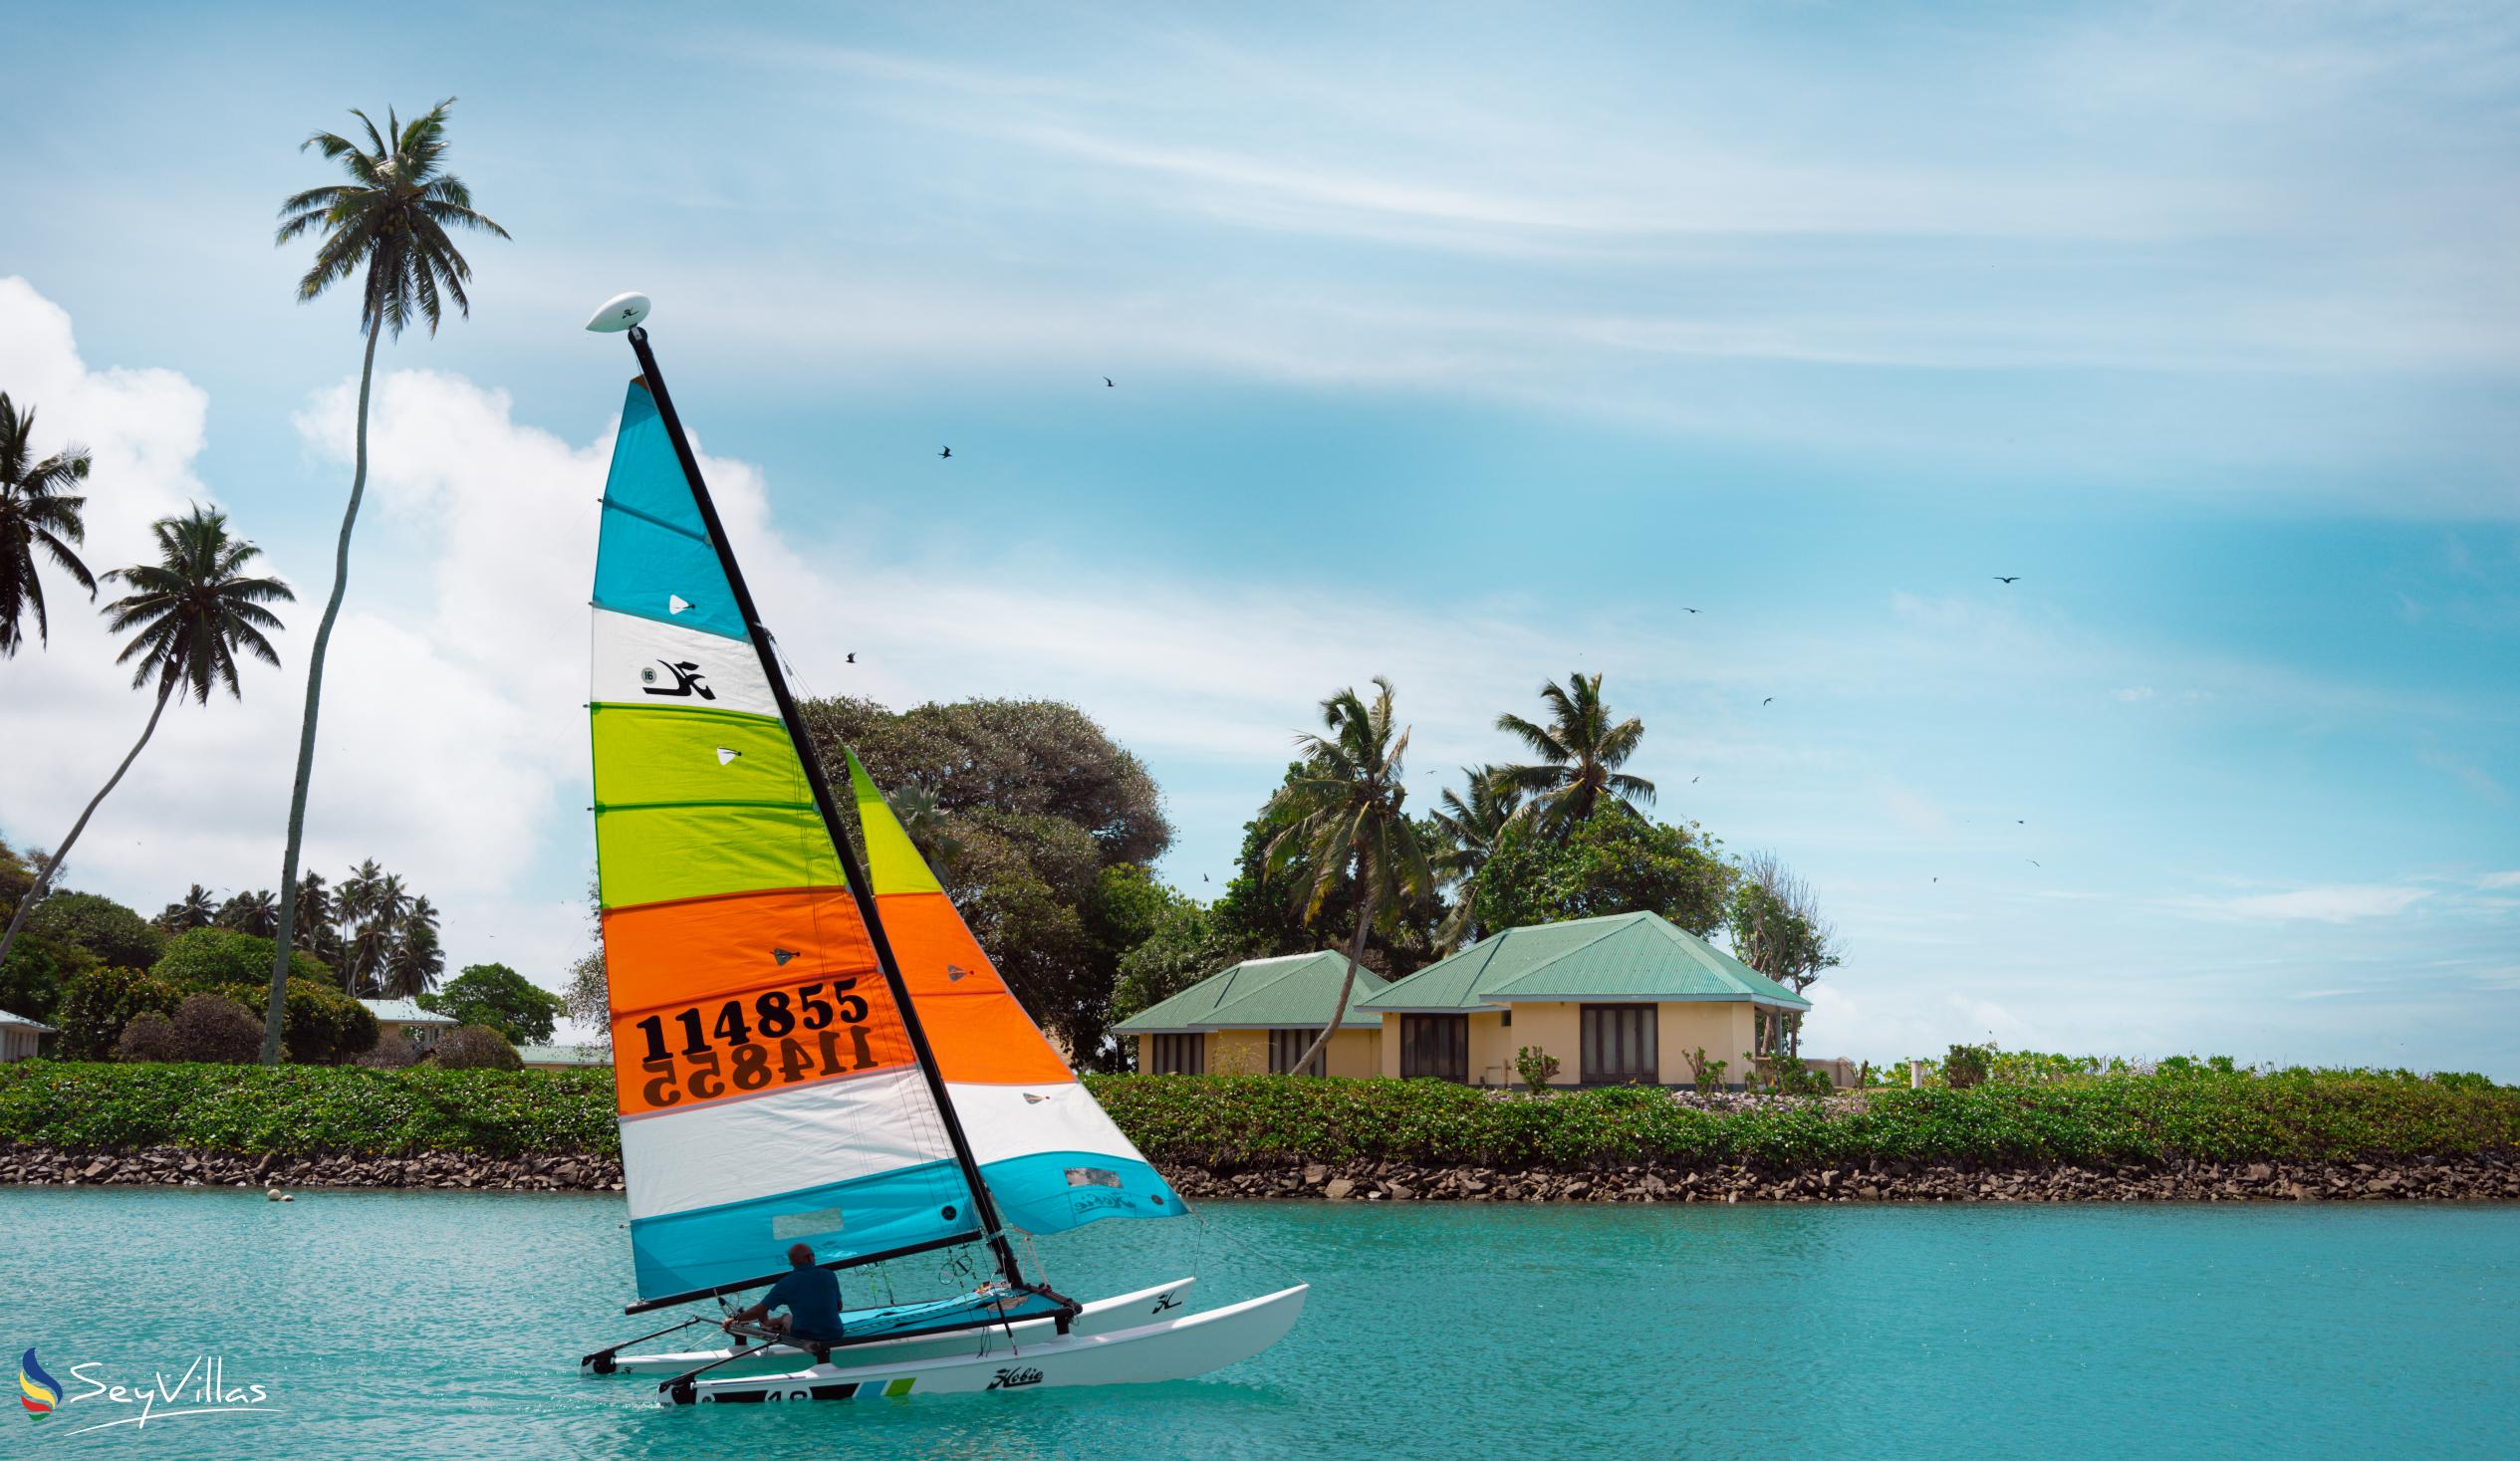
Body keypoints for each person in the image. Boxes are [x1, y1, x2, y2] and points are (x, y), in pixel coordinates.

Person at [723, 1243, 846, 1345]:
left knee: (785, 1317)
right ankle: (768, 1324)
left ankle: (768, 1325)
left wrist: (735, 1319)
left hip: (804, 1335)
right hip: (835, 1333)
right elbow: (838, 1307)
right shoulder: (829, 1275)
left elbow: (758, 1310)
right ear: (810, 1258)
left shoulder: (786, 1283)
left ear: (792, 1263)